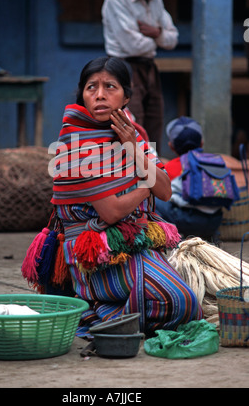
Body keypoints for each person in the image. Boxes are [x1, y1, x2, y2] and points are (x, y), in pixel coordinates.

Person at [45, 56, 203, 342]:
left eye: (110, 87)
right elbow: (112, 212)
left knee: (189, 304)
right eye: (91, 87)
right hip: (96, 255)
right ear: (82, 94)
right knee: (179, 303)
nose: (100, 94)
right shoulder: (76, 143)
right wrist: (146, 182)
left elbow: (165, 191)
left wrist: (132, 147)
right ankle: (99, 312)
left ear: (127, 96)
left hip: (134, 243)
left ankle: (108, 311)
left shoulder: (132, 134)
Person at [102, 0, 178, 154]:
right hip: (123, 67)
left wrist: (156, 33)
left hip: (148, 67)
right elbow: (132, 44)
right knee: (132, 124)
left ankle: (152, 176)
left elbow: (172, 39)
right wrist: (159, 38)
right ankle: (130, 177)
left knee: (154, 122)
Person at [155, 116, 224, 239]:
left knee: (153, 200)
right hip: (215, 221)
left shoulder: (168, 168)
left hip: (188, 222)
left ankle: (170, 238)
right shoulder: (213, 163)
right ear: (202, 143)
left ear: (171, 146)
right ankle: (212, 237)